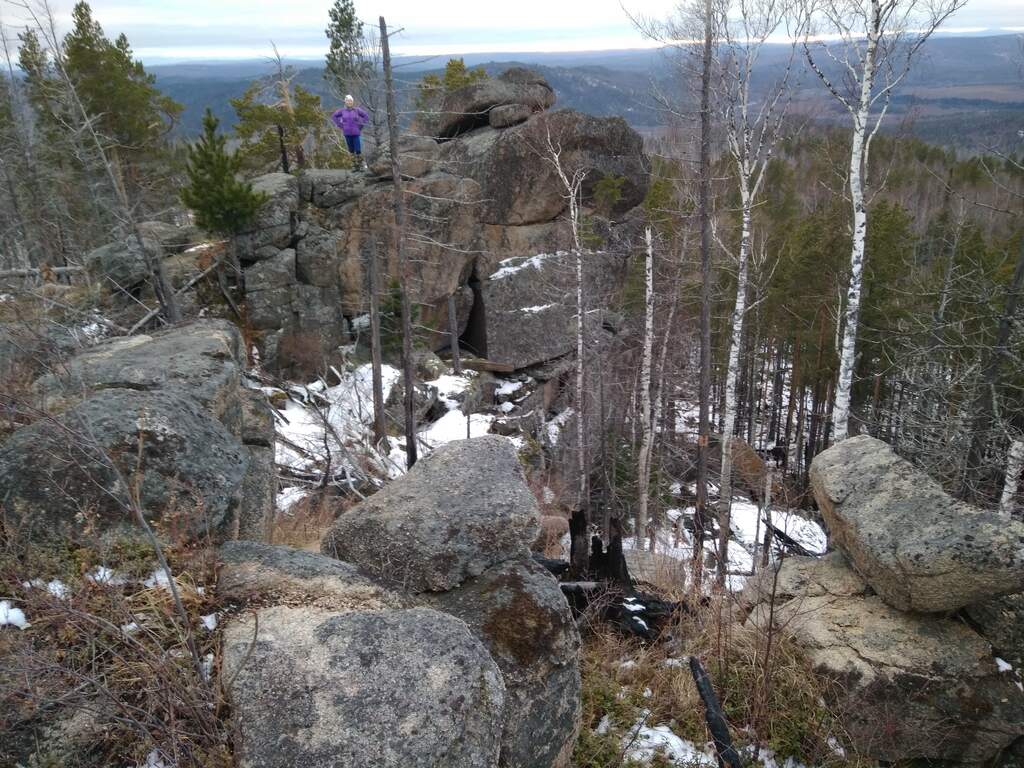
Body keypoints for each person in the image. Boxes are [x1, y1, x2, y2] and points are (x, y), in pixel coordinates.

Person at [332, 95, 370, 165]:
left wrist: (361, 125)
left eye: (350, 101)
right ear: (345, 102)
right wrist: (340, 125)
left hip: (356, 133)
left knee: (358, 150)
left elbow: (366, 116)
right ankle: (354, 165)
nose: (349, 102)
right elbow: (334, 116)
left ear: (352, 102)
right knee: (351, 150)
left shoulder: (357, 110)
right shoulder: (342, 111)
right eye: (347, 101)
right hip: (347, 133)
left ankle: (360, 165)